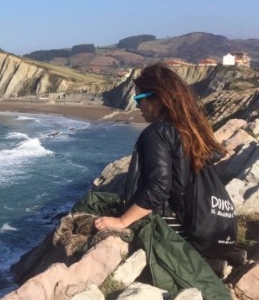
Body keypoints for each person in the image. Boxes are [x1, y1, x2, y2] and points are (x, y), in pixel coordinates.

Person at [94, 63, 230, 256]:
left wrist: (122, 221)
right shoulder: (193, 131)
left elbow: (159, 187)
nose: (137, 104)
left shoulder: (158, 133)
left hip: (180, 231)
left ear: (158, 100)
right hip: (214, 227)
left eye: (139, 98)